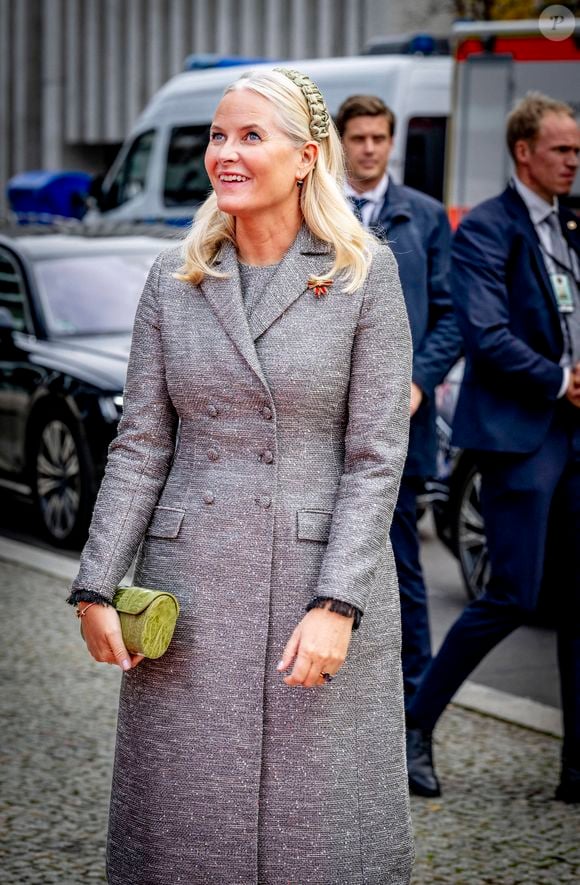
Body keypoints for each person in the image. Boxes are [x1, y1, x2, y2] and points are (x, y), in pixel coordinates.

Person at [68, 68, 415, 883]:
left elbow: (374, 458)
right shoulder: (176, 277)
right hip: (190, 595)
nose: (224, 152)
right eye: (218, 136)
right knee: (190, 826)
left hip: (319, 589)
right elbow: (141, 444)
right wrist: (94, 585)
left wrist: (338, 603)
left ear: (305, 157)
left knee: (319, 831)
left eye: (249, 136)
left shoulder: (365, 273)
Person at [406, 92, 580, 802]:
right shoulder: (486, 228)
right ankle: (415, 726)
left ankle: (576, 766)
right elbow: (484, 333)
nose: (574, 161)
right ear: (524, 152)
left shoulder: (574, 221)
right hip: (519, 437)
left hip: (574, 434)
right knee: (511, 593)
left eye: (577, 150)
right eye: (563, 149)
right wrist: (560, 378)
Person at [336, 95, 462, 709]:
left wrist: (415, 383)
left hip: (399, 421)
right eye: (357, 138)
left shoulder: (426, 216)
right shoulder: (319, 210)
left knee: (403, 570)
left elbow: (451, 316)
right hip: (324, 419)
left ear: (391, 142)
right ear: (340, 141)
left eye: (377, 138)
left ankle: (414, 714)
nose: (367, 149)